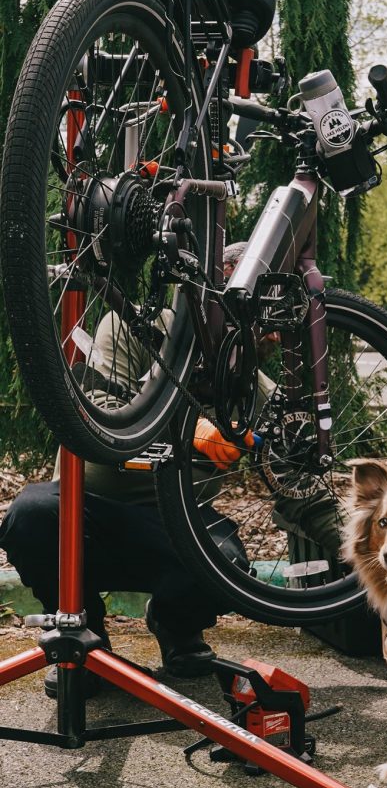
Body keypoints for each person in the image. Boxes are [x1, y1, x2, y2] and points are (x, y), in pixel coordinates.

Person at [0, 244, 254, 698]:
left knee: (229, 562)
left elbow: (304, 481)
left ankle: (176, 626)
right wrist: (189, 431)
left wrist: (381, 575)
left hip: (177, 524)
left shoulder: (246, 373)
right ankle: (84, 638)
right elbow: (96, 413)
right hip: (93, 512)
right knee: (31, 515)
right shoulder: (133, 327)